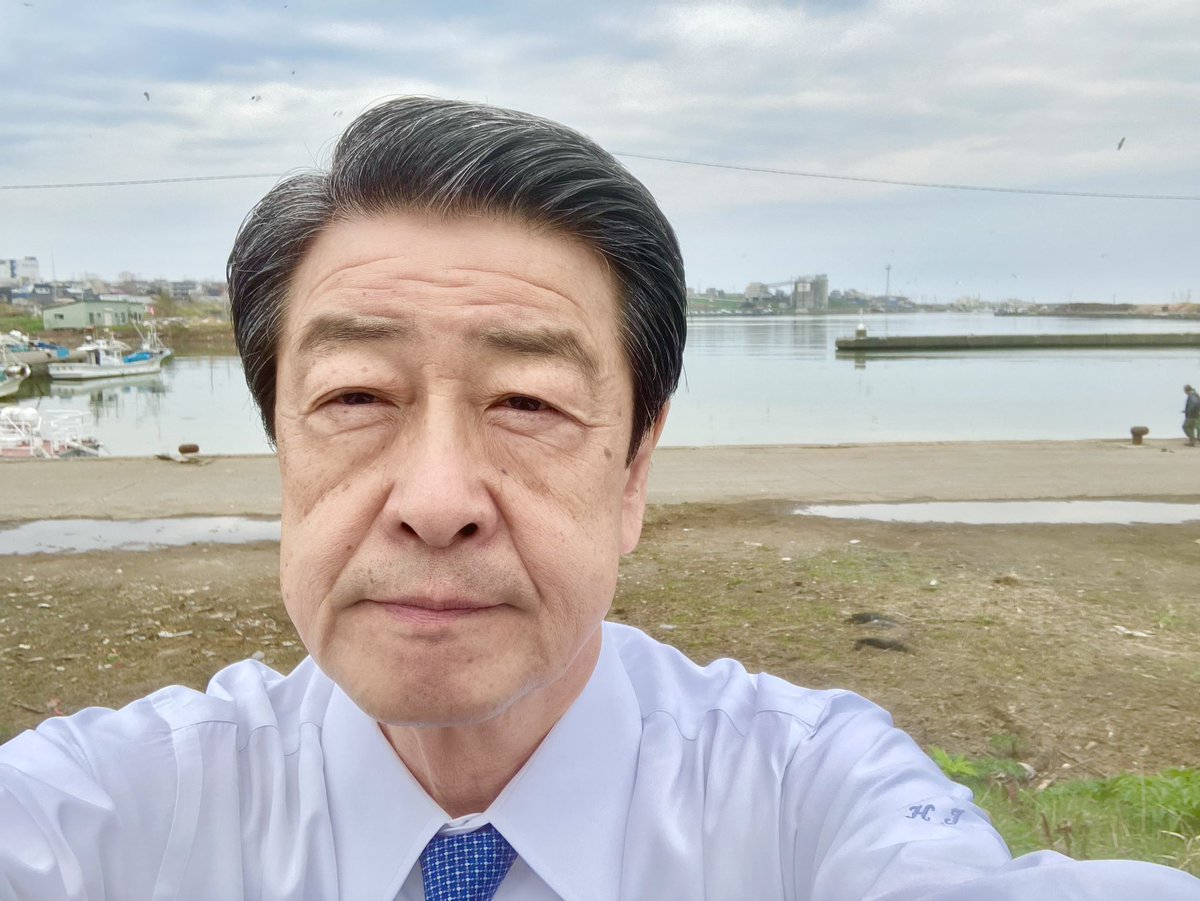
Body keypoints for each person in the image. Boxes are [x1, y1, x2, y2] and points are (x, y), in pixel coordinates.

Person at [1, 99, 1197, 901]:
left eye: (528, 402)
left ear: (633, 472)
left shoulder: (804, 798)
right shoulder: (118, 809)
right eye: (356, 395)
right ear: (281, 448)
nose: (435, 499)